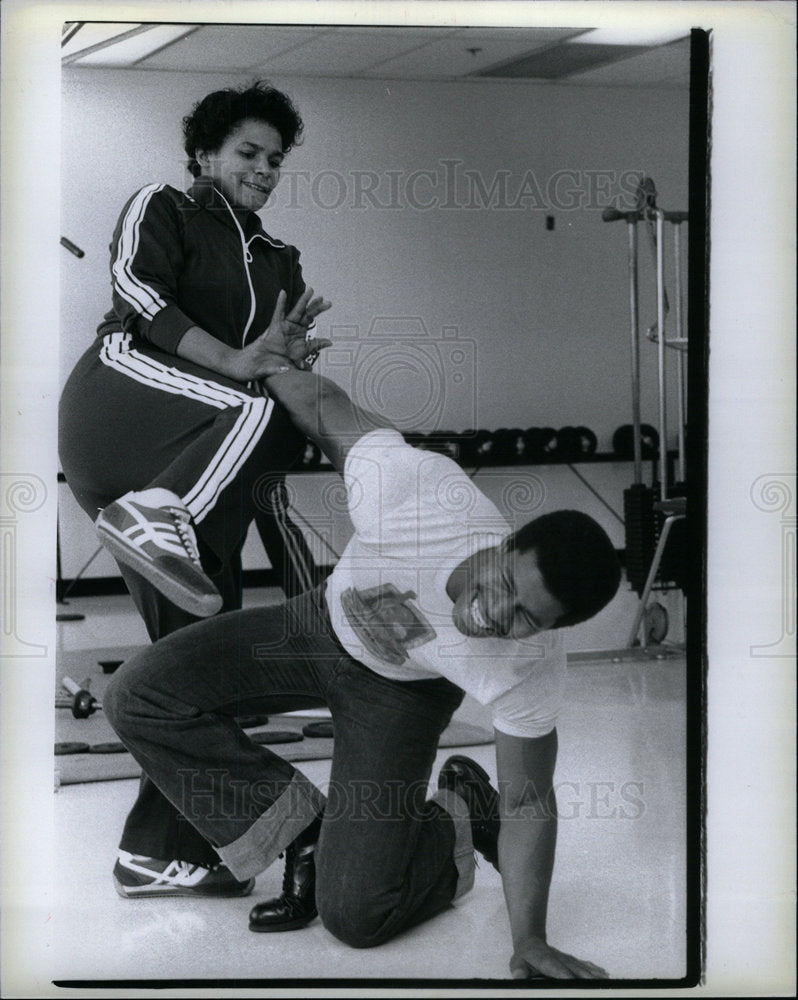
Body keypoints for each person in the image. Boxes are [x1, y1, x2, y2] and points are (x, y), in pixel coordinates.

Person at [103, 295, 622, 979]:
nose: (497, 615)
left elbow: (530, 798)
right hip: (316, 624)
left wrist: (528, 939)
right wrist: (273, 361)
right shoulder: (420, 493)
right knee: (137, 694)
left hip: (403, 695)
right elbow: (329, 411)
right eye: (504, 583)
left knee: (357, 916)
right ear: (506, 541)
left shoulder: (532, 664)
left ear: (552, 632)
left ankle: (459, 813)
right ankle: (305, 833)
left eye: (527, 617)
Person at [58, 81, 330, 896]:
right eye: (248, 153)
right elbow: (140, 300)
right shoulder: (165, 207)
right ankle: (157, 510)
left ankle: (157, 851)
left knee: (196, 674)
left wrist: (280, 360)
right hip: (121, 408)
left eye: (275, 160)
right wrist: (244, 363)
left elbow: (270, 403)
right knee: (258, 396)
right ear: (206, 153)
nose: (264, 170)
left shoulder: (282, 260)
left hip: (200, 478)